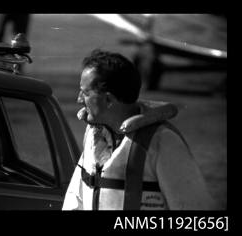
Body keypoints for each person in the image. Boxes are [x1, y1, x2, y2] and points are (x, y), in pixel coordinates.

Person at [62, 49, 217, 210]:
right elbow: (76, 197)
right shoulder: (94, 135)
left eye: (86, 93)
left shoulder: (162, 142)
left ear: (108, 100)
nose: (79, 99)